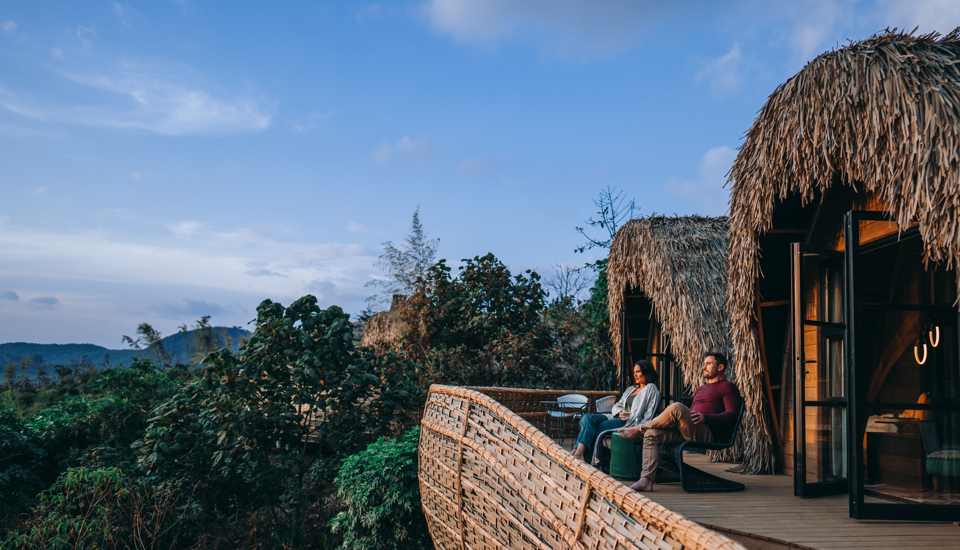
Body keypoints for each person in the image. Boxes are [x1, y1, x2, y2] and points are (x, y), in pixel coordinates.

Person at [619, 352, 740, 492]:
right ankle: (646, 479)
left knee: (676, 407)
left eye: (708, 364)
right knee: (652, 434)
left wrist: (706, 418)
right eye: (704, 364)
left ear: (720, 367)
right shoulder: (701, 389)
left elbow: (732, 415)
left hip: (707, 432)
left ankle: (640, 429)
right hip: (689, 430)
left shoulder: (727, 387)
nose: (704, 367)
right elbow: (691, 413)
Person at [571, 360, 661, 463]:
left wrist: (633, 420)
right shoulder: (632, 389)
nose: (635, 375)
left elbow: (649, 414)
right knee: (587, 418)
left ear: (646, 372)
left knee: (594, 427)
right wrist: (620, 412)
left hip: (628, 422)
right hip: (616, 416)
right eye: (634, 372)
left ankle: (579, 455)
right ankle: (578, 452)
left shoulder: (651, 389)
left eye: (638, 372)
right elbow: (617, 405)